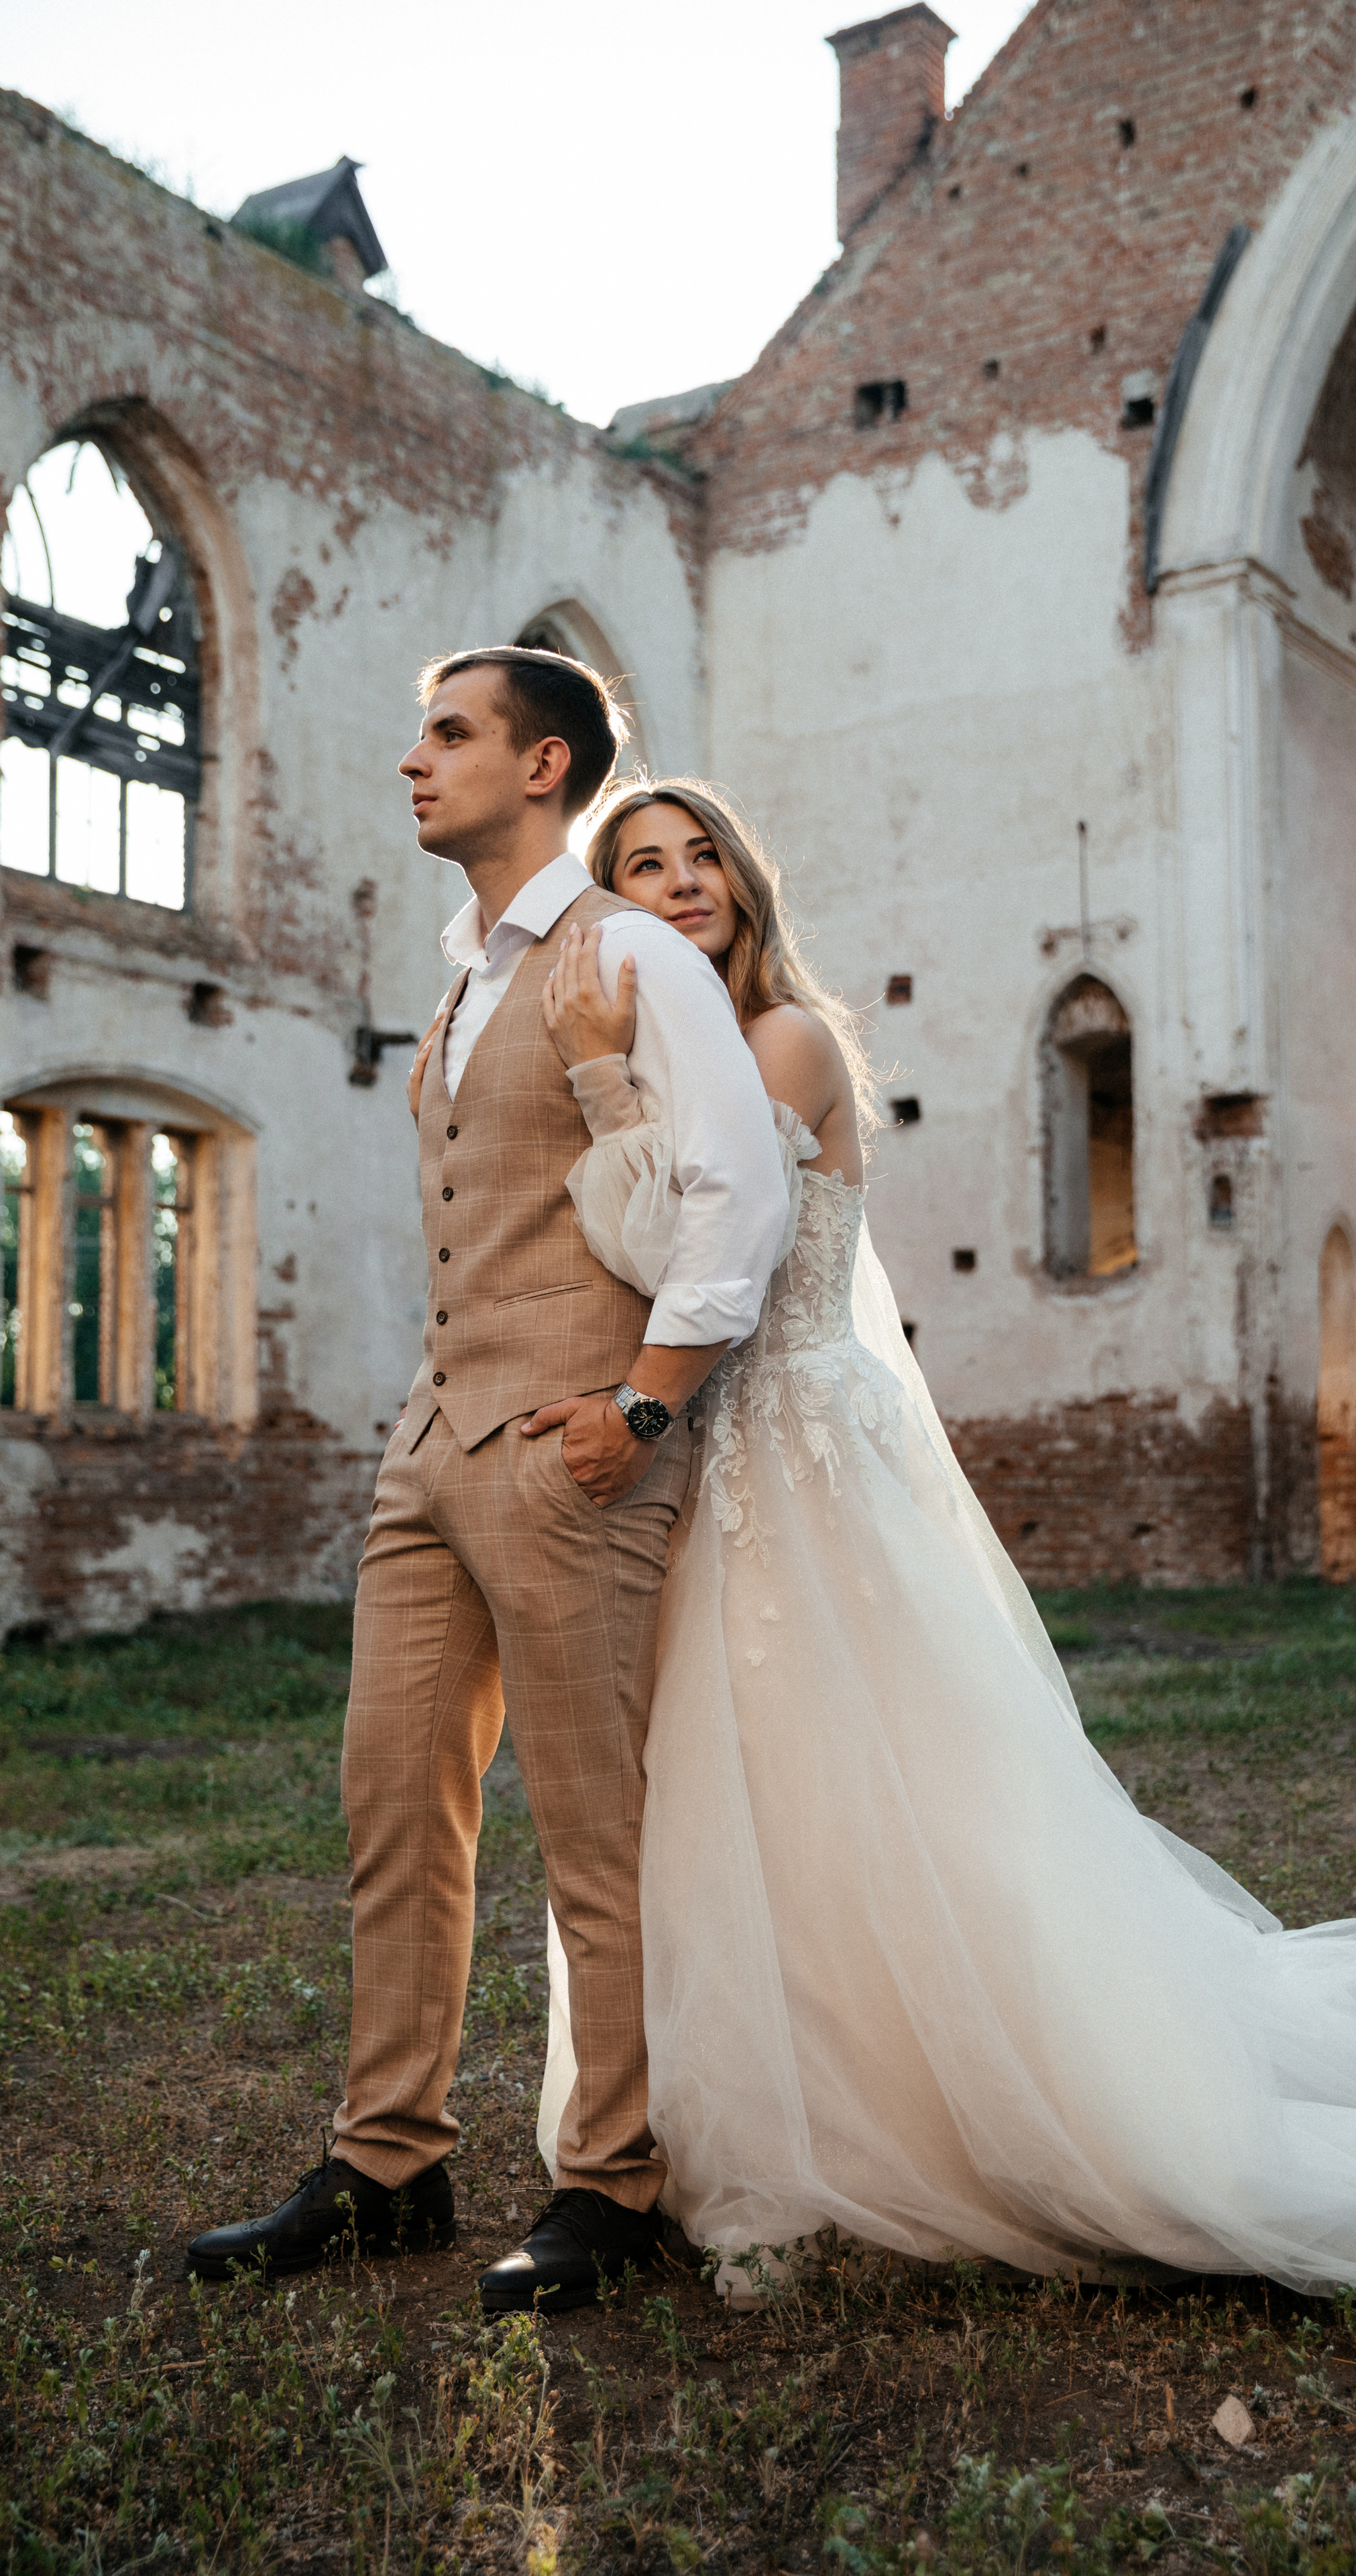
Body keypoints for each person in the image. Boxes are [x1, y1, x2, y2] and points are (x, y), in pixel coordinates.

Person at [534, 774, 1356, 2326]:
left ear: (743, 880)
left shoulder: (777, 1043)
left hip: (792, 1451)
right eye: (640, 867)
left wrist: (599, 1090)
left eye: (699, 855)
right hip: (716, 1456)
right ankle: (748, 2113)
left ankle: (925, 2114)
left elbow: (683, 1256)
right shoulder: (688, 1067)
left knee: (861, 1785)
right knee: (729, 1799)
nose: (677, 884)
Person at [186, 656, 787, 2312]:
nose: (411, 760)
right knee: (394, 1805)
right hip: (432, 1450)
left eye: (445, 734)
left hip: (577, 1447)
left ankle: (618, 2180)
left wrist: (644, 1410)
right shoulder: (459, 982)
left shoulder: (634, 949)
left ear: (544, 765)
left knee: (598, 1838)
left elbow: (736, 1197)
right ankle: (390, 2162)